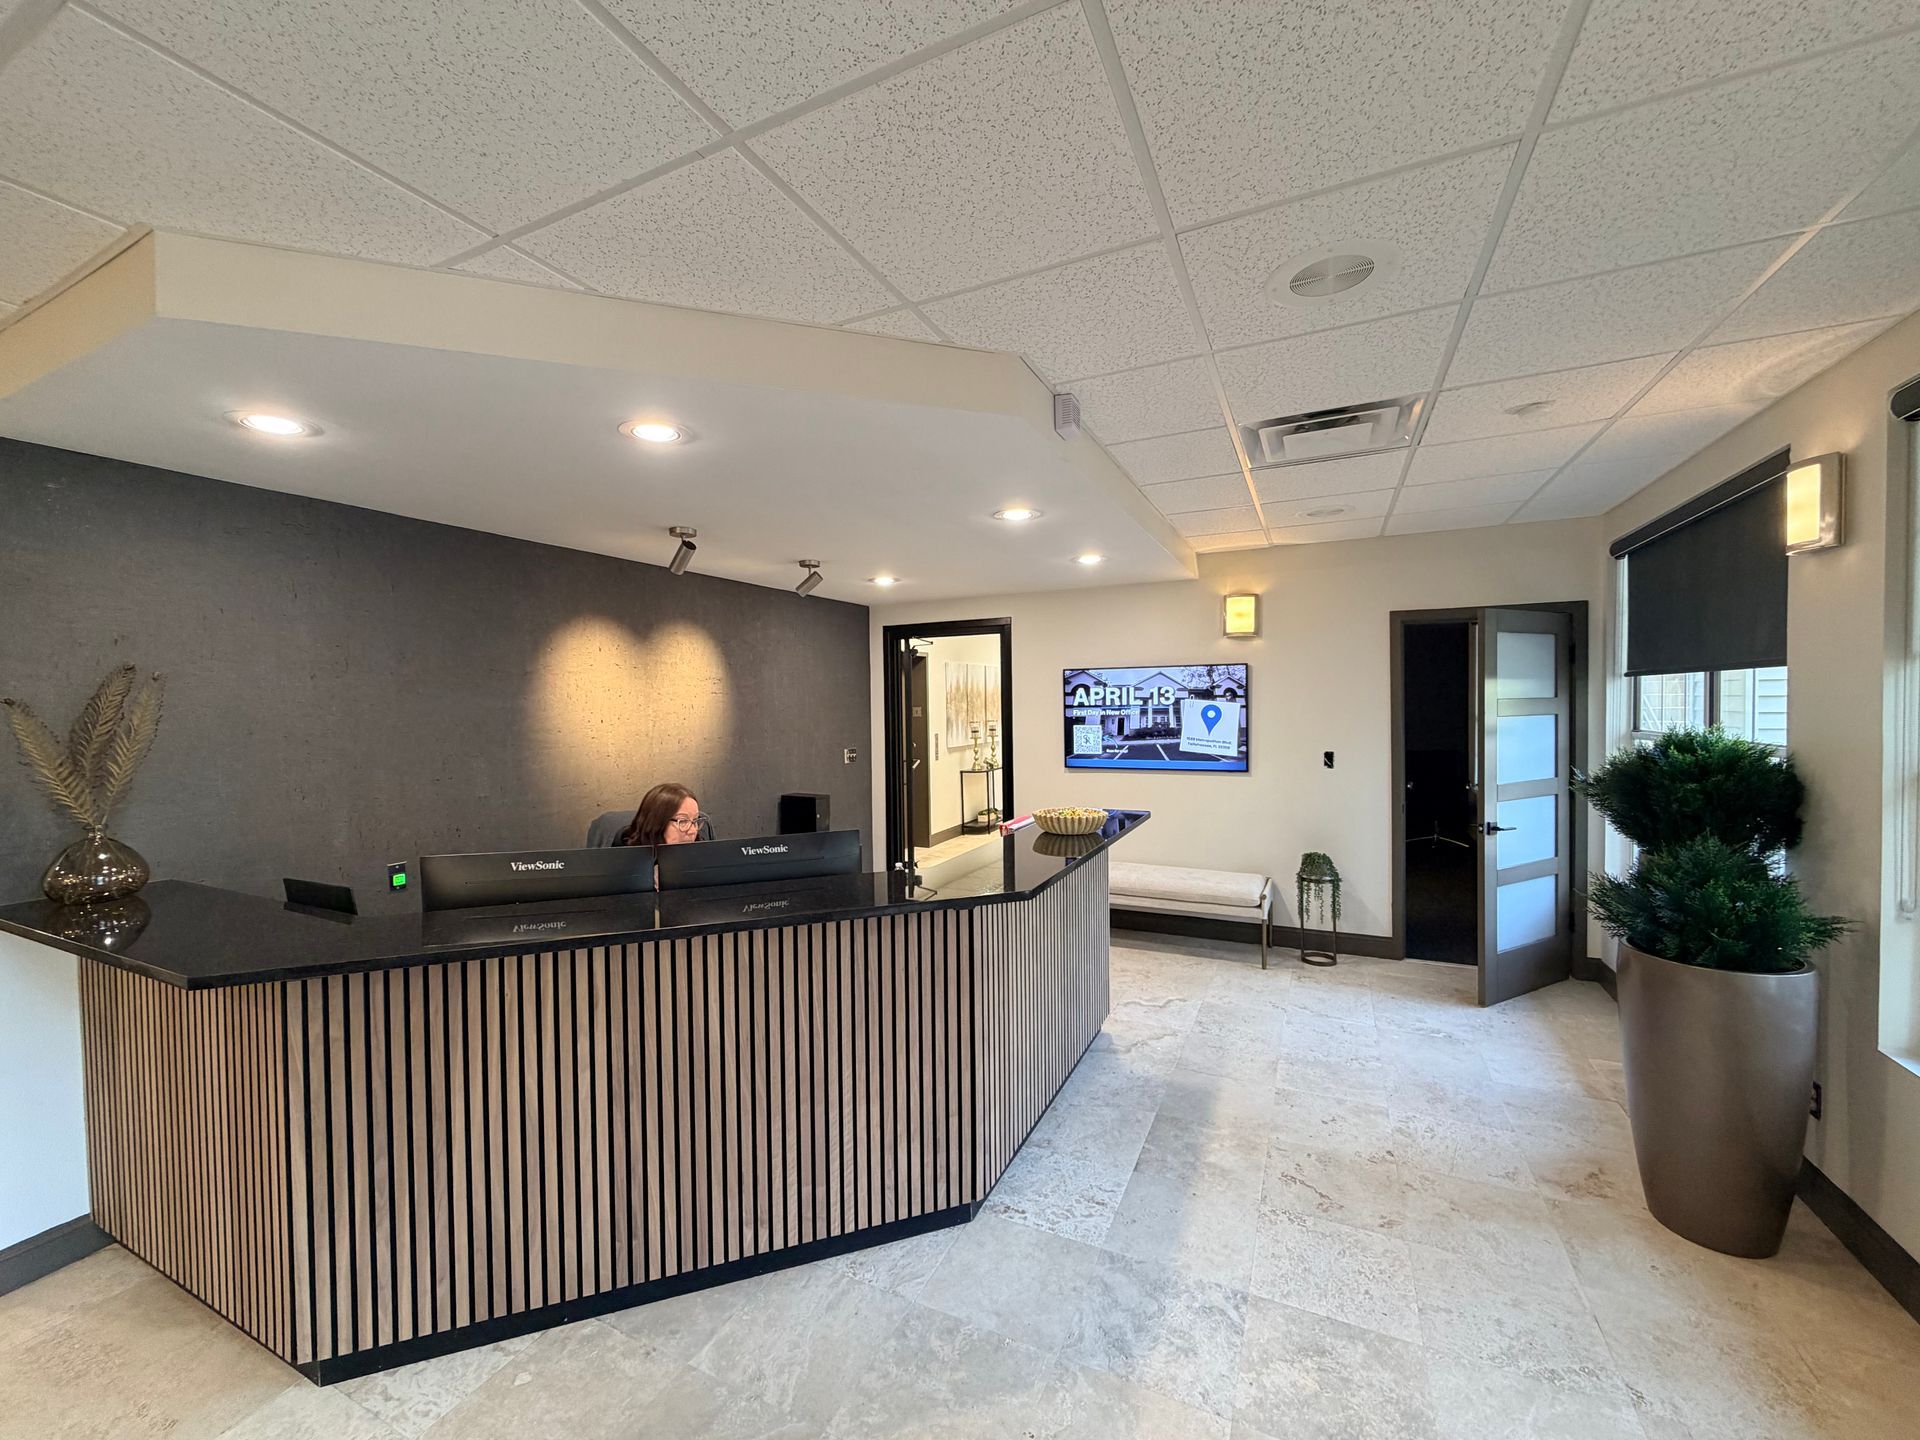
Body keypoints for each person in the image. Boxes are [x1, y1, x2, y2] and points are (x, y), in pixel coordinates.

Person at [614, 782, 706, 848]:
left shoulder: (702, 849)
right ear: (657, 823)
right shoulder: (626, 855)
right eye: (683, 821)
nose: (693, 831)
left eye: (695, 820)